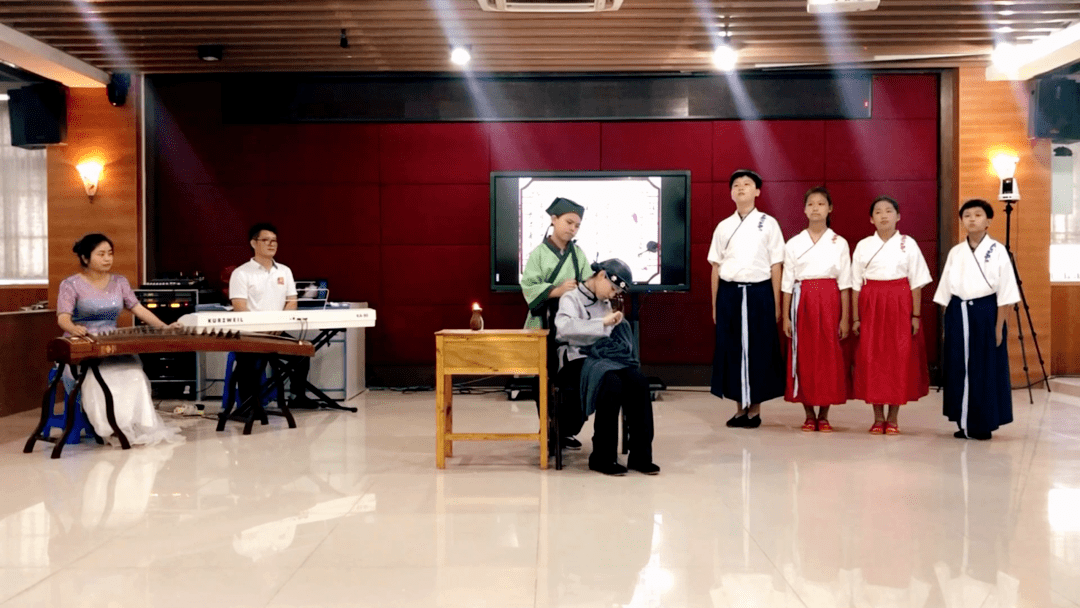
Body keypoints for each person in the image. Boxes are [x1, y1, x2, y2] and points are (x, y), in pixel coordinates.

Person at [56, 233, 184, 446]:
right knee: (100, 380)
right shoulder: (71, 284)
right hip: (83, 346)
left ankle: (133, 426)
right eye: (101, 254)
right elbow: (63, 318)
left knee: (134, 375)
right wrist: (74, 328)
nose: (107, 259)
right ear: (86, 258)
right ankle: (110, 430)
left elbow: (137, 308)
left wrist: (164, 327)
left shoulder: (120, 282)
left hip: (113, 344)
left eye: (110, 254)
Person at [555, 259, 658, 476]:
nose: (612, 295)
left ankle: (640, 456)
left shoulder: (604, 303)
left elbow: (609, 334)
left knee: (638, 382)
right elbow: (564, 328)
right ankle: (602, 456)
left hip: (603, 357)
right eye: (613, 288)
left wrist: (617, 326)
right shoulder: (570, 298)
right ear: (602, 275)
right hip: (577, 358)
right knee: (611, 382)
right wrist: (602, 323)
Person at [933, 199, 1019, 440]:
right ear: (962, 221)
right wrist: (946, 325)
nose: (972, 219)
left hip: (985, 312)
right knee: (958, 366)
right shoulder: (956, 252)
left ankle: (984, 422)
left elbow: (1006, 294)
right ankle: (962, 421)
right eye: (967, 215)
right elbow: (945, 292)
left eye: (978, 215)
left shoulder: (998, 250)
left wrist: (1000, 326)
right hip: (958, 313)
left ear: (988, 221)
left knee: (985, 367)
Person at [708, 169, 786, 429]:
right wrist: (715, 304)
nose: (741, 188)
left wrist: (776, 302)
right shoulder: (723, 226)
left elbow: (776, 265)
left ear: (757, 191)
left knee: (759, 348)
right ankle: (739, 408)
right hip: (729, 293)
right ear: (731, 193)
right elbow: (715, 267)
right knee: (732, 348)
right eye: (736, 185)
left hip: (759, 292)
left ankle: (755, 409)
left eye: (747, 184)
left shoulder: (768, 223)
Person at [851, 196, 932, 435]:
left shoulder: (909, 243)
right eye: (878, 211)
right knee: (872, 358)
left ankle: (894, 418)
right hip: (871, 303)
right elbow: (856, 284)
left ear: (898, 216)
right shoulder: (864, 245)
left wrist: (915, 315)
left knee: (898, 359)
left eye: (889, 211)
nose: (884, 215)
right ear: (871, 218)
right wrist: (856, 318)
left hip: (900, 303)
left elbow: (916, 282)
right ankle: (877, 418)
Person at [781, 187, 852, 432]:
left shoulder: (839, 242)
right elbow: (787, 283)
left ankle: (825, 413)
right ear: (804, 210)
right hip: (803, 301)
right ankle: (809, 413)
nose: (815, 208)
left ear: (829, 209)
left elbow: (845, 284)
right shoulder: (793, 243)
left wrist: (845, 318)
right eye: (810, 204)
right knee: (805, 355)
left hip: (830, 299)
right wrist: (786, 316)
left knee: (828, 355)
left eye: (821, 204)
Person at [521, 197, 591, 448]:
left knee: (574, 377)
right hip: (543, 324)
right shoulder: (539, 254)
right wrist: (558, 290)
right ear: (553, 220)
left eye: (577, 225)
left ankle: (566, 430)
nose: (573, 228)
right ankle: (549, 430)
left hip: (571, 327)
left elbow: (588, 284)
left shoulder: (578, 254)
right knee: (544, 377)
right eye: (569, 222)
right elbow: (528, 286)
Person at [228, 222, 312, 410]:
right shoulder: (241, 273)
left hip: (277, 331)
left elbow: (291, 301)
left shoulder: (284, 271)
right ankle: (249, 406)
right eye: (265, 240)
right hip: (251, 333)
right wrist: (261, 329)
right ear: (253, 243)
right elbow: (239, 306)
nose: (271, 244)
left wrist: (280, 325)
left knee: (301, 354)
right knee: (247, 365)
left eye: (274, 240)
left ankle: (296, 396)